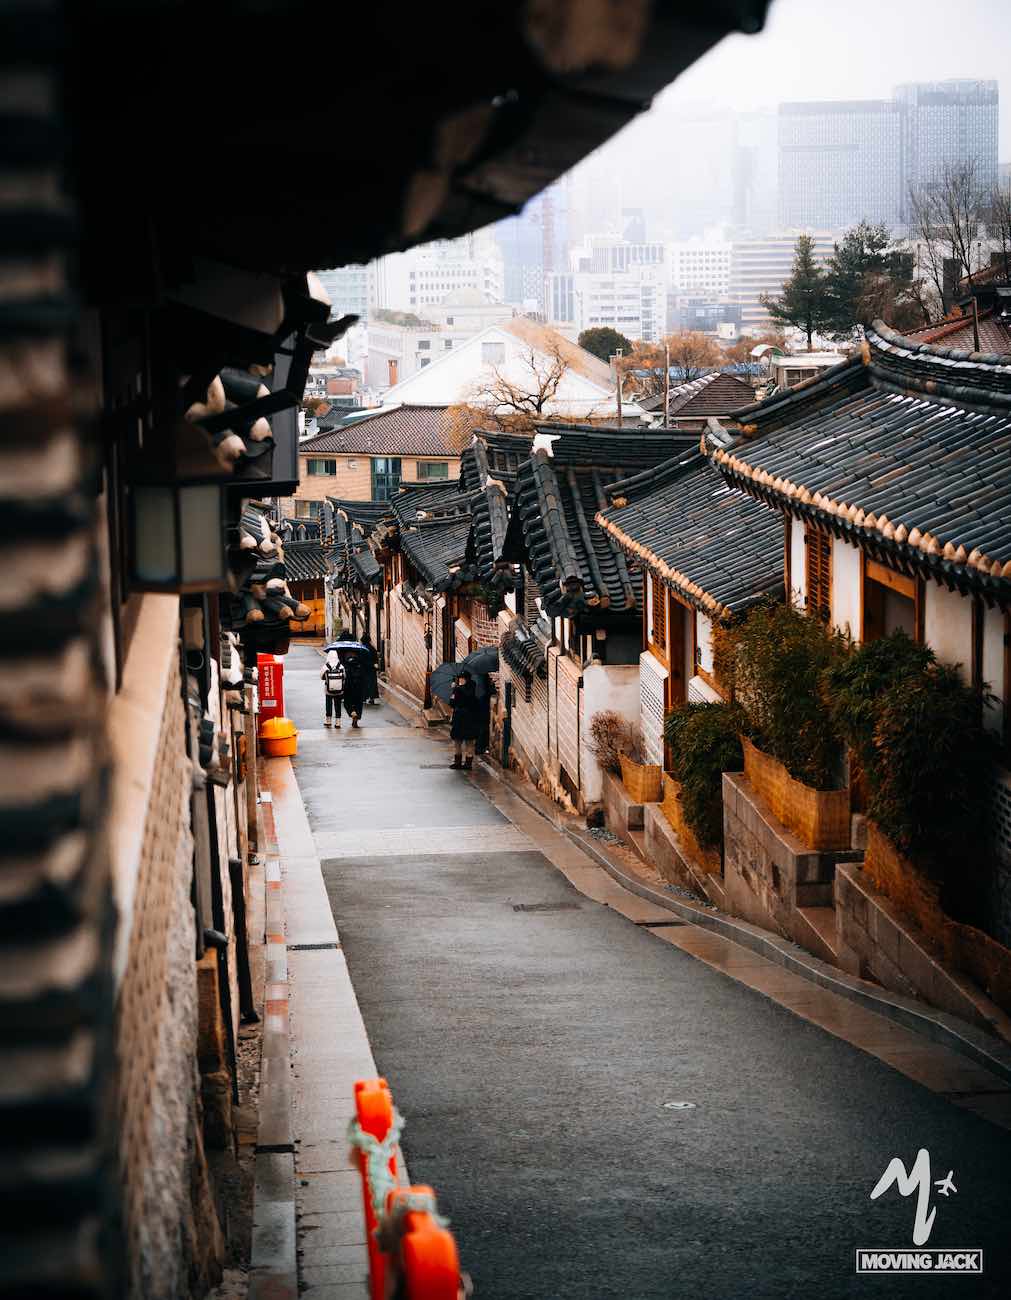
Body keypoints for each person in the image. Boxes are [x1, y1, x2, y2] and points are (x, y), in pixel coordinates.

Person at [449, 670, 481, 770]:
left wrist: (455, 689)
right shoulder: (473, 689)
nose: (459, 680)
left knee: (463, 741)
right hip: (466, 718)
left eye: (461, 678)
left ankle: (462, 763)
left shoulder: (461, 689)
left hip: (463, 718)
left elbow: (453, 703)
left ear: (465, 679)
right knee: (464, 741)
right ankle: (463, 763)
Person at [320, 649, 345, 729]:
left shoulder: (326, 666)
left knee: (329, 704)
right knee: (338, 705)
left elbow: (321, 676)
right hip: (339, 690)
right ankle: (338, 722)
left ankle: (328, 721)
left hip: (328, 689)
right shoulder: (341, 666)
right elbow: (344, 676)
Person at [343, 653, 366, 729]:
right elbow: (364, 678)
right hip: (359, 688)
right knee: (358, 704)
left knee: (347, 702)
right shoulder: (360, 666)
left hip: (348, 688)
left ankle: (352, 712)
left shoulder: (346, 667)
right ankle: (357, 717)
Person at [361, 631, 380, 705]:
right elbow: (376, 659)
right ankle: (372, 698)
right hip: (371, 668)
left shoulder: (362, 649)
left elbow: (360, 659)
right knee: (372, 683)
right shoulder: (372, 649)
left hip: (364, 668)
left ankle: (364, 698)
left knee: (364, 683)